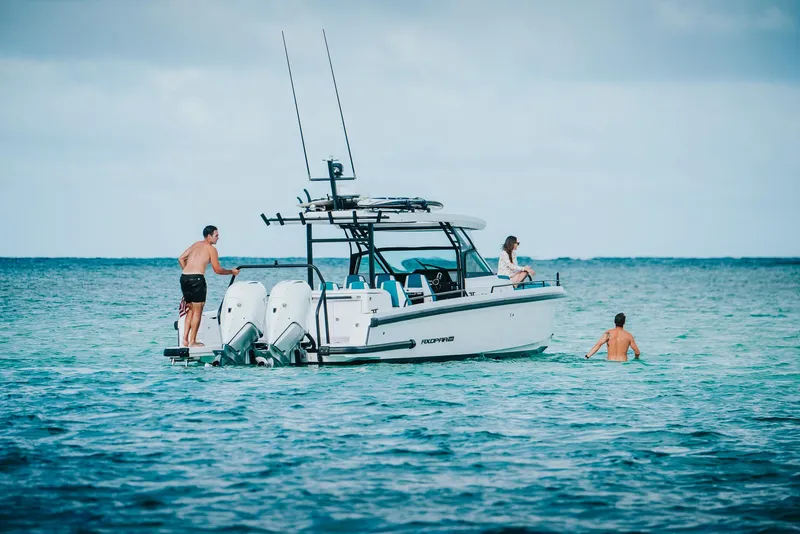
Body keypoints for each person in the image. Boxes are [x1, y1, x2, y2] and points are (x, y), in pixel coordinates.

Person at [178, 225, 240, 347]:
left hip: (184, 278)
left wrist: (188, 272)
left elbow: (181, 258)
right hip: (197, 279)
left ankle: (185, 340)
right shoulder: (211, 249)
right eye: (216, 235)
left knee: (190, 309)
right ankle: (193, 341)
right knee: (197, 311)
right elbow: (217, 270)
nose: (218, 238)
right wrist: (231, 272)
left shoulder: (196, 244)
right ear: (209, 236)